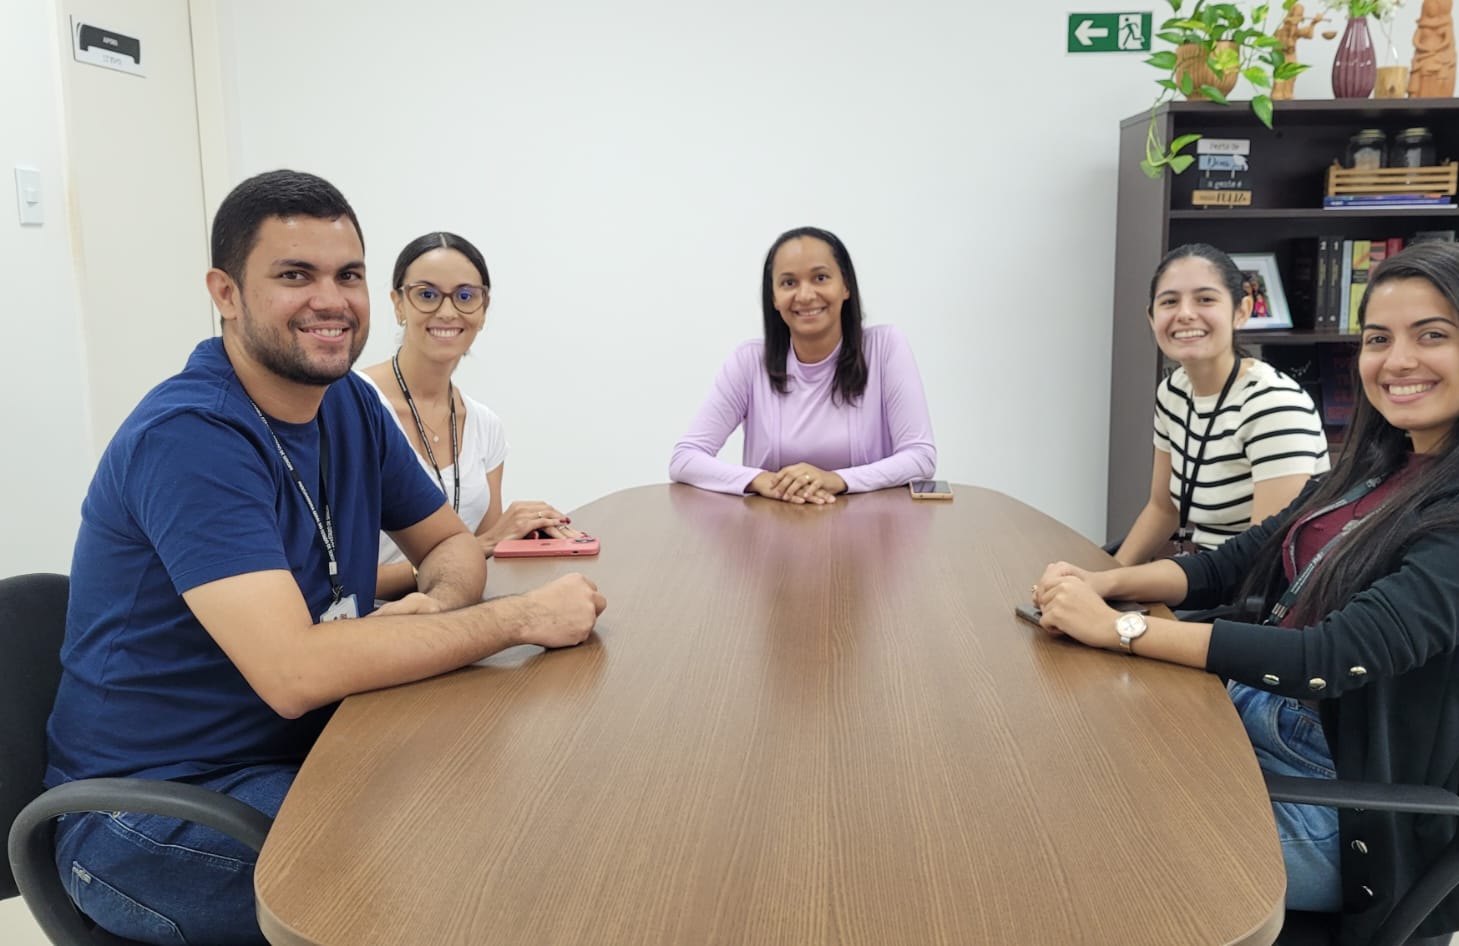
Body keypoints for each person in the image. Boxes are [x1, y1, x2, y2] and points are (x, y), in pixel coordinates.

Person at [45, 170, 607, 946]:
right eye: (294, 275)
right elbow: (295, 675)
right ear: (225, 293)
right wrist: (519, 619)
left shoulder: (346, 406)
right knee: (453, 882)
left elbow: (450, 543)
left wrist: (437, 605)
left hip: (302, 754)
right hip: (144, 813)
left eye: (348, 276)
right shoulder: (190, 437)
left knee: (516, 801)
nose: (331, 300)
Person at [1031, 242, 1459, 941]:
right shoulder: (1376, 468)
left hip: (1335, 805)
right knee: (1052, 762)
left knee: (1072, 845)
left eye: (1432, 336)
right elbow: (1231, 563)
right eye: (1379, 339)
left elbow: (1329, 657)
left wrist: (1122, 629)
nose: (1397, 361)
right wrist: (1102, 581)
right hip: (1255, 722)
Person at [358, 232, 576, 600]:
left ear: (483, 309)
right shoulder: (353, 406)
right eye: (427, 295)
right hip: (369, 619)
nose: (447, 312)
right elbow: (327, 579)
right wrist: (480, 546)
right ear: (398, 305)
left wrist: (529, 531)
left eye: (465, 296)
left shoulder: (485, 426)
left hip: (454, 612)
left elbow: (487, 554)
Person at [669, 226, 936, 504]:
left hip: (868, 525)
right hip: (772, 524)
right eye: (789, 283)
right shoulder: (749, 362)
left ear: (845, 286)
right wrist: (761, 480)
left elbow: (920, 457)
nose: (805, 295)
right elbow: (685, 458)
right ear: (773, 297)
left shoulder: (885, 347)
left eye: (820, 278)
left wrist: (837, 479)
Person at [1114, 244, 1329, 566]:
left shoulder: (1275, 405)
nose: (1185, 313)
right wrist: (1107, 577)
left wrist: (1118, 583)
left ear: (1241, 311)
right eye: (1169, 301)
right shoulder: (1173, 391)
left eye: (1205, 299)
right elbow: (1163, 509)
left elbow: (1263, 554)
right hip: (1202, 572)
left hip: (1258, 584)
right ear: (1151, 317)